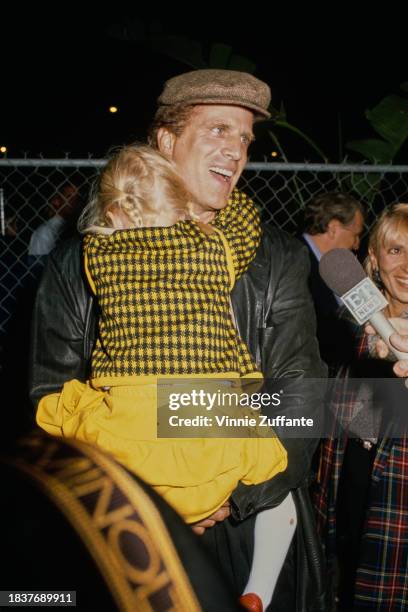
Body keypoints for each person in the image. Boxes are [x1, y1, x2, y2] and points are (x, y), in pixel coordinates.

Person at [29, 69, 327, 610]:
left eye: (244, 138)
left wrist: (226, 489)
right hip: (127, 519)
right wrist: (147, 491)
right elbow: (48, 394)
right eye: (219, 130)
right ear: (166, 141)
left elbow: (300, 394)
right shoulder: (78, 260)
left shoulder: (275, 254)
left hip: (248, 518)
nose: (237, 150)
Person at [314, 202, 408, 609]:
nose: (407, 266)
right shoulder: (345, 325)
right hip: (347, 490)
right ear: (373, 259)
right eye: (395, 250)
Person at [299, 192, 364, 371]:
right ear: (334, 227)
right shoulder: (297, 262)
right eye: (356, 235)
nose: (357, 244)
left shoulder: (329, 268)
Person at [28, 181, 82, 257]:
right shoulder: (45, 231)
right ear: (56, 201)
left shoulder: (77, 227)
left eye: (77, 197)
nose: (74, 200)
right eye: (69, 196)